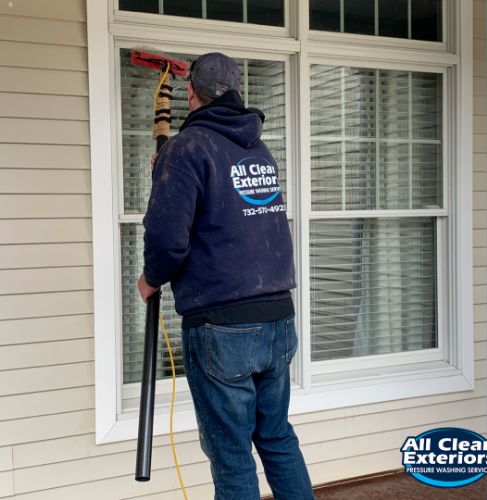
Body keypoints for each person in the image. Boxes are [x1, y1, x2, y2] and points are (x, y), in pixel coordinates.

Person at [137, 52, 314, 500]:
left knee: (232, 453)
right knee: (275, 436)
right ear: (238, 92)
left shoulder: (186, 149)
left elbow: (167, 238)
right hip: (278, 318)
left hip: (224, 327)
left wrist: (151, 278)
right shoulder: (257, 148)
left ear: (191, 91)